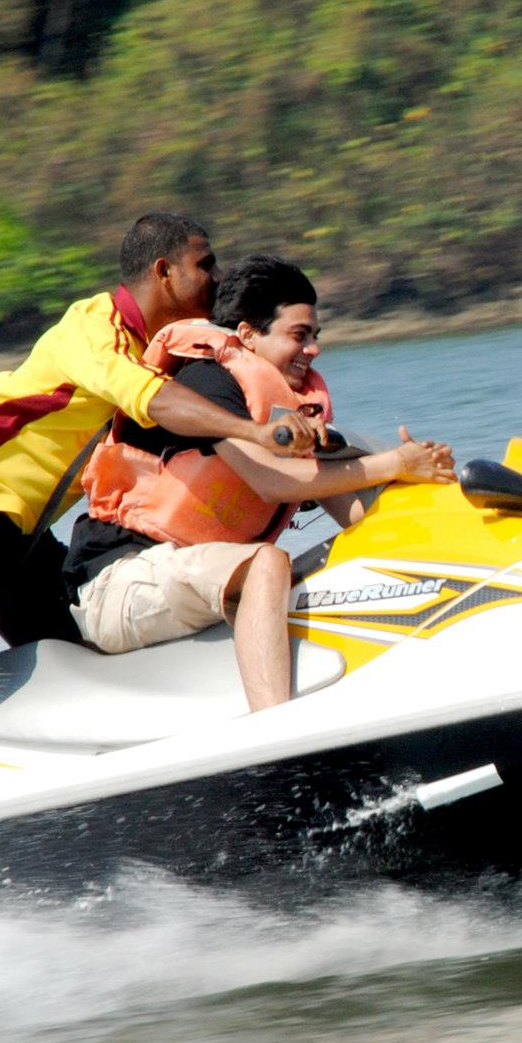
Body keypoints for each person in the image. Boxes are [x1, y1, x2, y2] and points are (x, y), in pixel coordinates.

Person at [0, 213, 331, 786]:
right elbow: (153, 402)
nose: (217, 278)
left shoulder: (165, 349)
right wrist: (254, 433)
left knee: (78, 656)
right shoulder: (94, 330)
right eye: (205, 265)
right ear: (164, 272)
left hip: (21, 537)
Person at [63, 254, 456, 711]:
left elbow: (353, 509)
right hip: (119, 583)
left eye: (315, 337)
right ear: (248, 335)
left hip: (189, 576)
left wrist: (425, 489)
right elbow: (271, 481)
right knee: (268, 564)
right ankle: (277, 735)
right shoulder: (206, 381)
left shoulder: (289, 412)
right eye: (299, 335)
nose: (313, 350)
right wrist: (394, 463)